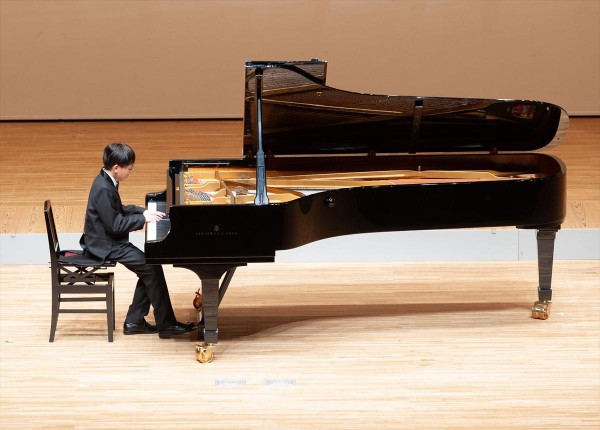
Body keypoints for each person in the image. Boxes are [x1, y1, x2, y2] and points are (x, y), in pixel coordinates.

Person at [79, 142, 194, 339]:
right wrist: (143, 219)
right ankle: (165, 324)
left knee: (150, 267)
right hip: (105, 245)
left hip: (108, 240)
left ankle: (135, 321)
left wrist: (144, 211)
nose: (131, 172)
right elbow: (115, 225)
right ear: (116, 168)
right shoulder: (103, 189)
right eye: (129, 169)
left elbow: (120, 209)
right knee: (151, 266)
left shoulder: (106, 180)